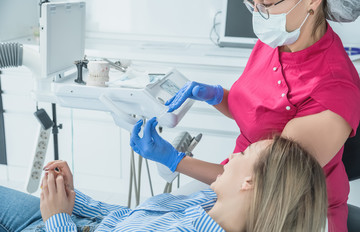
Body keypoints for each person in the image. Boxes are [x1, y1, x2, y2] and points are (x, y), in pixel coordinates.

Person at [130, 0, 360, 231]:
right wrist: (217, 96)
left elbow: (264, 184)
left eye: (266, 3)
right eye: (253, 2)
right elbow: (259, 113)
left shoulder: (335, 88)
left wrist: (174, 161)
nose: (258, 14)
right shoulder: (277, 40)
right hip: (237, 183)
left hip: (287, 212)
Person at [0, 136, 327, 232]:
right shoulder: (204, 202)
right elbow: (132, 218)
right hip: (76, 220)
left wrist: (57, 219)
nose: (232, 155)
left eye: (244, 152)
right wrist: (72, 201)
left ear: (248, 181)